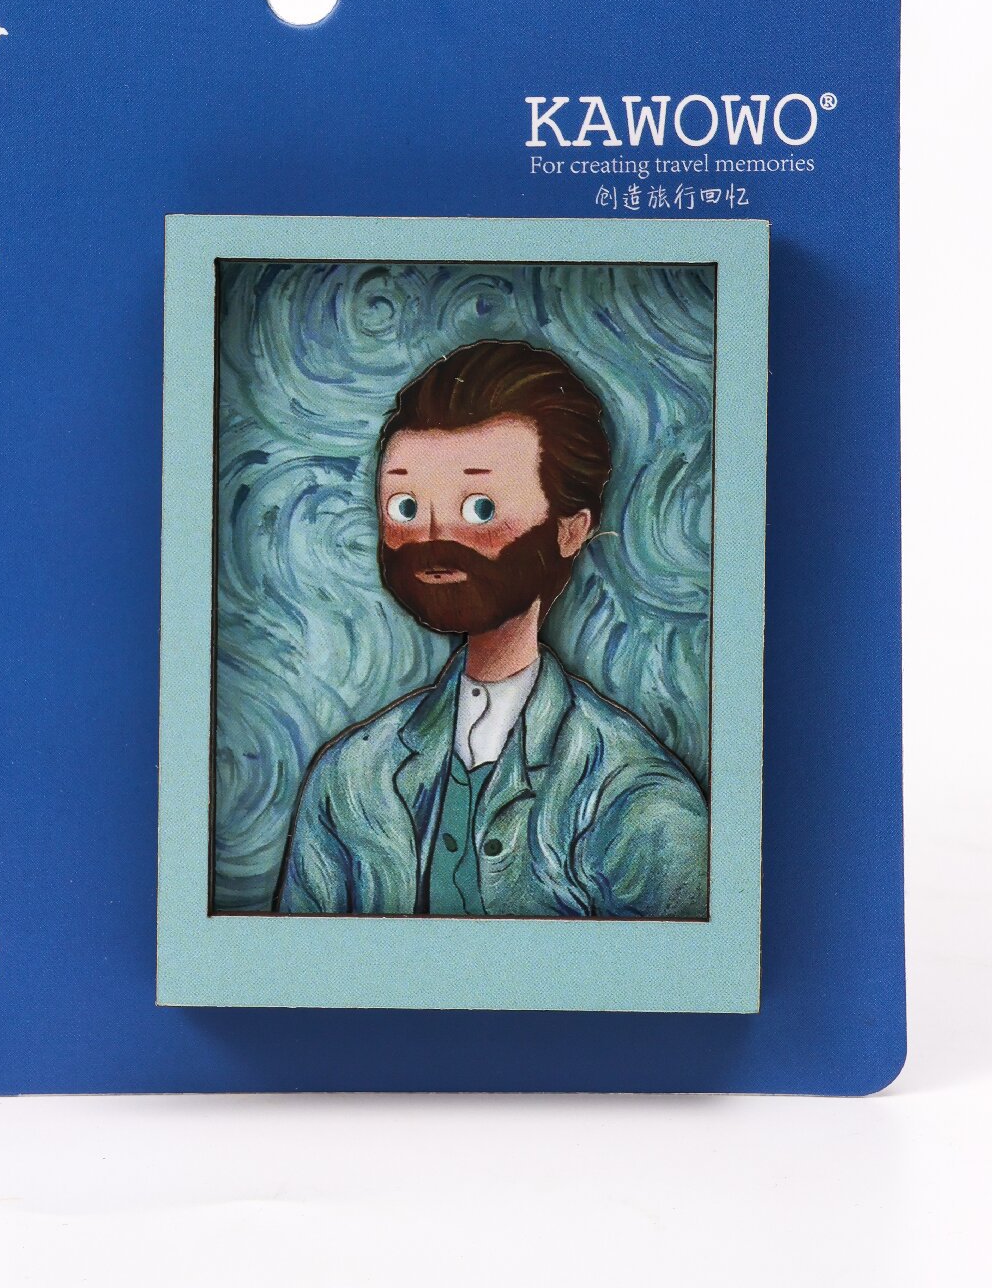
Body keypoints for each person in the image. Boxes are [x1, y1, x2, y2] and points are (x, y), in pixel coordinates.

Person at [275, 339, 708, 918]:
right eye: (405, 508)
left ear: (570, 530)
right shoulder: (350, 778)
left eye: (479, 509)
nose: (433, 538)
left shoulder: (633, 798)